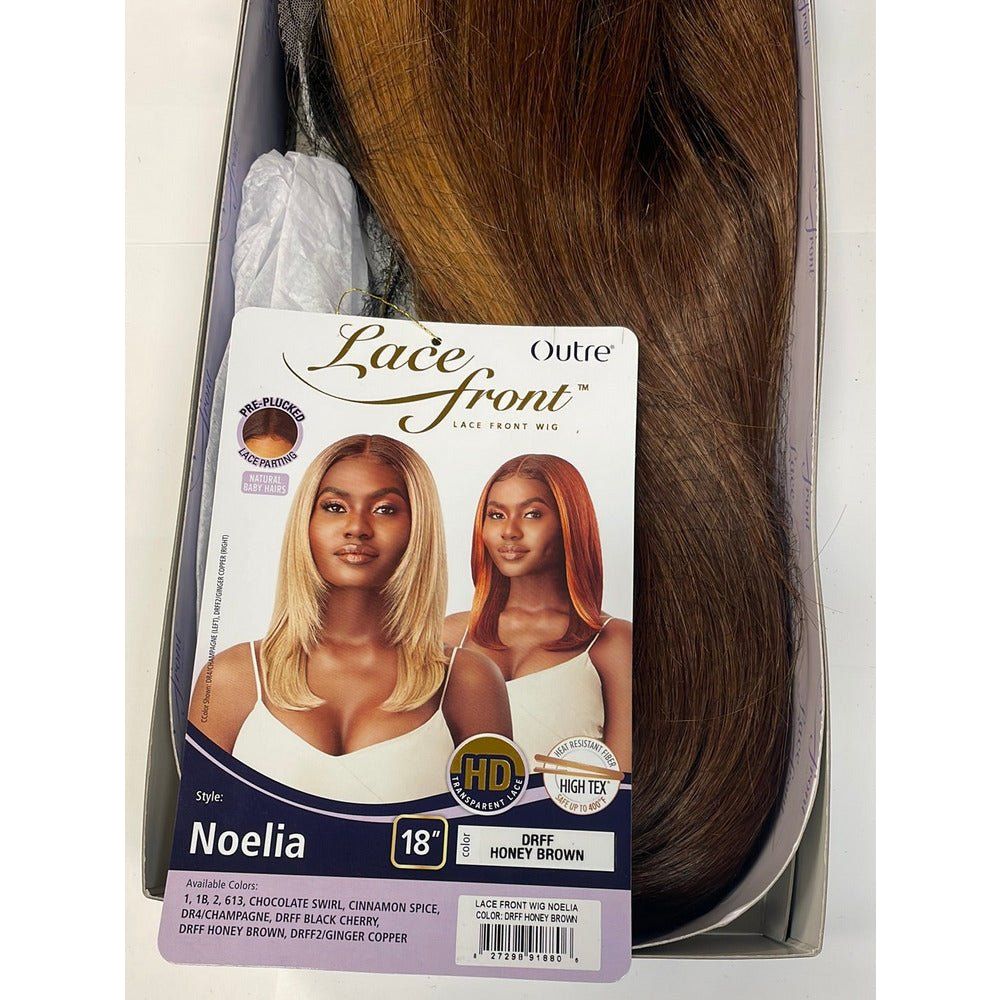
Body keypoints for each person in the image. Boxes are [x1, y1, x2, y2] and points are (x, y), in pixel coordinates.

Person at [190, 433, 511, 802]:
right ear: (306, 522)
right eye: (334, 507)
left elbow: (492, 829)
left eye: (385, 509)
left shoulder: (469, 682)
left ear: (418, 528)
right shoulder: (233, 678)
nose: (357, 527)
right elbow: (196, 825)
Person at [444, 454, 632, 770]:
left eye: (532, 514)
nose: (509, 531)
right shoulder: (449, 635)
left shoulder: (614, 642)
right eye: (496, 515)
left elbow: (623, 785)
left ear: (570, 523)